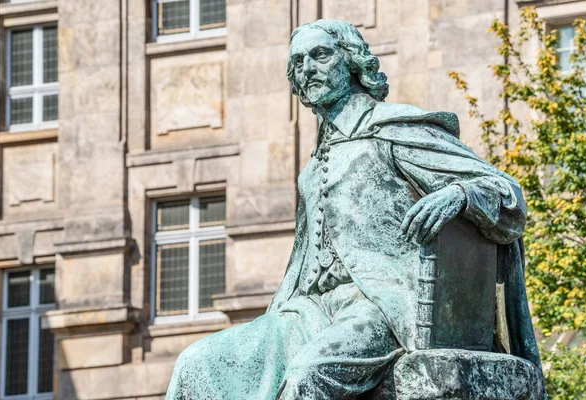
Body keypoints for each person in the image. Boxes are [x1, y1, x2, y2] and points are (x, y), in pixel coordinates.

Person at [166, 19, 541, 400]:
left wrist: (459, 194)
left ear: (351, 62)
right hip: (310, 309)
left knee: (307, 377)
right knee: (196, 362)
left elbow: (506, 192)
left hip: (381, 305)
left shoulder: (393, 130)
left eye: (320, 55)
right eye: (298, 62)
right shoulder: (312, 168)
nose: (308, 68)